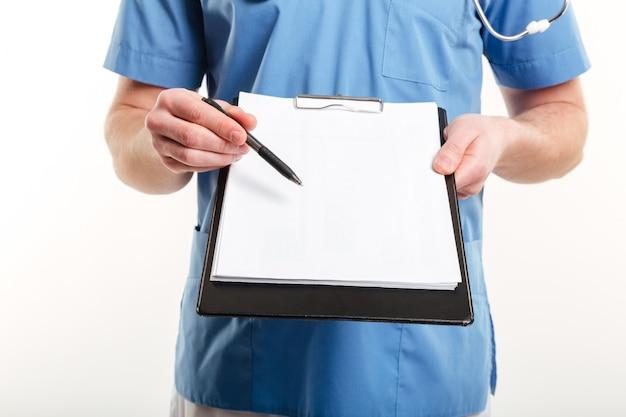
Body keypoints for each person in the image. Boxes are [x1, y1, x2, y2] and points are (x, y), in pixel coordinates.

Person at [103, 1, 589, 416]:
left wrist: (504, 139)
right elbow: (133, 124)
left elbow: (562, 120)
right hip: (242, 353)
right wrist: (167, 143)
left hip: (423, 356)